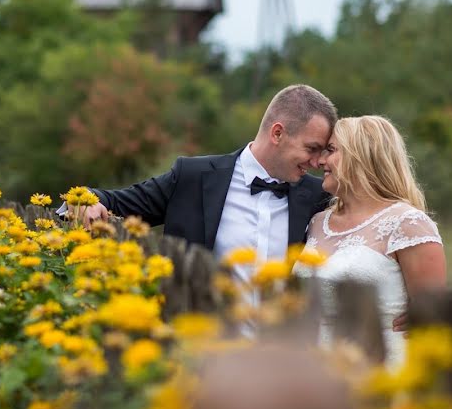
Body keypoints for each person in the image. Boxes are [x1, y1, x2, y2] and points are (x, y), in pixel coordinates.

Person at [68, 84, 336, 285]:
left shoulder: (318, 197)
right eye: (311, 148)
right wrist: (85, 201)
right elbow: (115, 202)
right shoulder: (193, 177)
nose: (316, 162)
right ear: (277, 133)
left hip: (281, 355)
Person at [294, 115, 447, 365]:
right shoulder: (317, 222)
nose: (320, 160)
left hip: (380, 365)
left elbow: (434, 315)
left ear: (361, 155)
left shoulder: (408, 223)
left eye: (331, 150)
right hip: (315, 368)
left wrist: (429, 315)